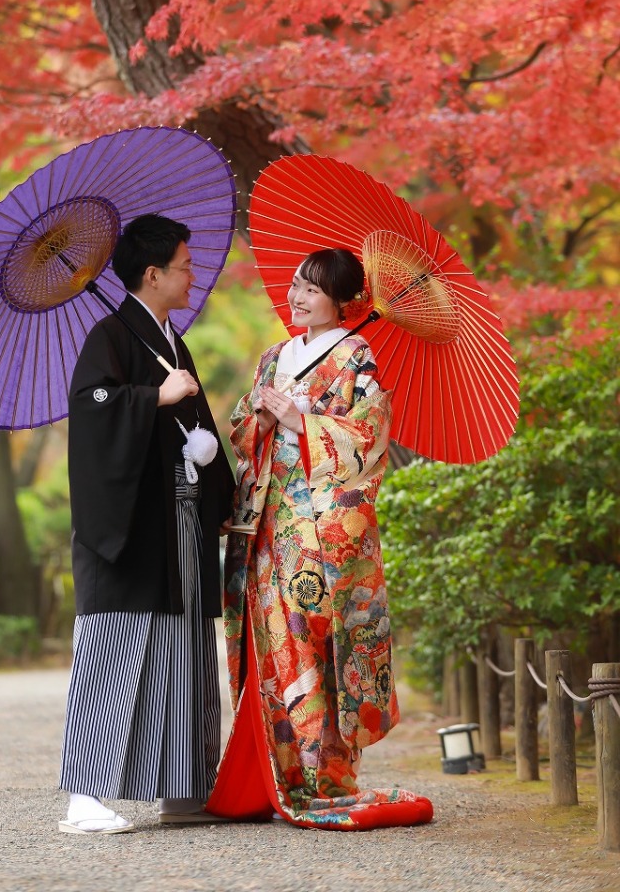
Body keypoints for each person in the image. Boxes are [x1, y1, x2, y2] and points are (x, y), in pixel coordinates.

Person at [207, 248, 433, 830]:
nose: (298, 295)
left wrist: (299, 421)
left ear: (341, 301)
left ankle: (324, 776)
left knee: (316, 642)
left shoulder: (356, 355)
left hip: (319, 530)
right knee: (271, 641)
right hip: (267, 522)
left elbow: (367, 438)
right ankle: (277, 772)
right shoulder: (274, 356)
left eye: (313, 289)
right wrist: (259, 414)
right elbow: (241, 430)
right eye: (296, 285)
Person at [58, 214, 235, 835]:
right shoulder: (109, 336)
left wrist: (208, 458)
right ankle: (84, 795)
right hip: (130, 526)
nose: (193, 276)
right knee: (116, 647)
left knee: (182, 648)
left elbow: (193, 428)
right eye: (185, 266)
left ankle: (183, 788)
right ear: (153, 274)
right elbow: (90, 406)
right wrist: (153, 397)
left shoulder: (170, 341)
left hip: (179, 519)